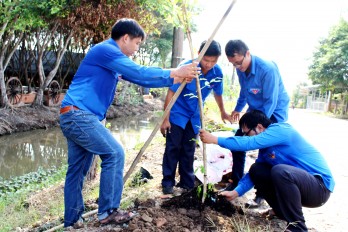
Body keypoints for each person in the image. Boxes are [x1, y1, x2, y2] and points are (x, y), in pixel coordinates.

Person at [59, 18, 200, 227]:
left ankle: (72, 220)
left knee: (77, 171)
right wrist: (174, 72)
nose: (137, 48)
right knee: (114, 153)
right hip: (79, 115)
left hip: (74, 114)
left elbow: (140, 79)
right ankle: (108, 211)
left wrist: (174, 79)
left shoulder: (112, 59)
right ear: (125, 38)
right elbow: (139, 71)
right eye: (137, 43)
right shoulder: (106, 50)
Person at [199, 110, 334, 232]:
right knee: (258, 170)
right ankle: (281, 212)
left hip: (319, 188)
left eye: (247, 133)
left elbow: (248, 143)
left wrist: (215, 139)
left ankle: (297, 227)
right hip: (301, 188)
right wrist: (236, 192)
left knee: (280, 171)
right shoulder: (266, 151)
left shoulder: (281, 130)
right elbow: (254, 175)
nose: (246, 137)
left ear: (259, 127)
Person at [160, 40, 232, 194]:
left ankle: (186, 183)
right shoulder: (187, 68)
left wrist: (222, 111)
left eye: (213, 61)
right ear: (199, 54)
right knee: (173, 147)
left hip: (195, 116)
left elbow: (218, 93)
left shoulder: (217, 73)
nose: (209, 64)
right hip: (178, 113)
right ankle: (167, 183)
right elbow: (171, 92)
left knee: (189, 149)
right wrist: (165, 119)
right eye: (206, 60)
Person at [224, 39, 290, 207]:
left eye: (239, 62)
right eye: (233, 64)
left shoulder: (267, 69)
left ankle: (261, 193)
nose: (238, 67)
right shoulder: (240, 69)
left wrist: (262, 128)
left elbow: (270, 101)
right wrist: (238, 109)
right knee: (238, 141)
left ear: (247, 53)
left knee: (266, 149)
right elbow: (244, 92)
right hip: (255, 112)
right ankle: (237, 181)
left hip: (273, 112)